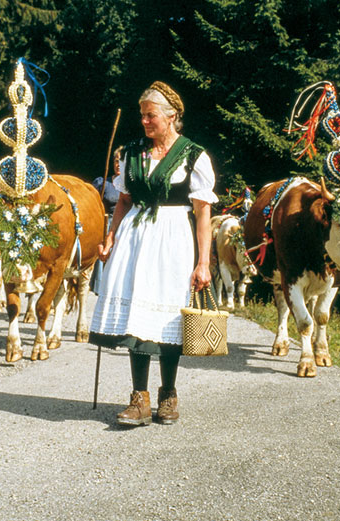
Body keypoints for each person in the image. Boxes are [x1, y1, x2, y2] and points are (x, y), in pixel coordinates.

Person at [89, 81, 217, 426]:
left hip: (174, 239)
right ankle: (139, 398)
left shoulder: (193, 155)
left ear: (172, 116)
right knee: (135, 316)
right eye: (142, 115)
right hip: (134, 238)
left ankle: (169, 394)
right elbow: (124, 201)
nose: (144, 121)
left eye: (151, 116)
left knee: (168, 318)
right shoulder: (131, 152)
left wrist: (204, 262)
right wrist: (111, 238)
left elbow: (203, 211)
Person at [91, 146, 123, 214]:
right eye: (117, 161)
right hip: (107, 223)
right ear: (113, 163)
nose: (119, 165)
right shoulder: (102, 183)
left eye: (122, 161)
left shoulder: (133, 185)